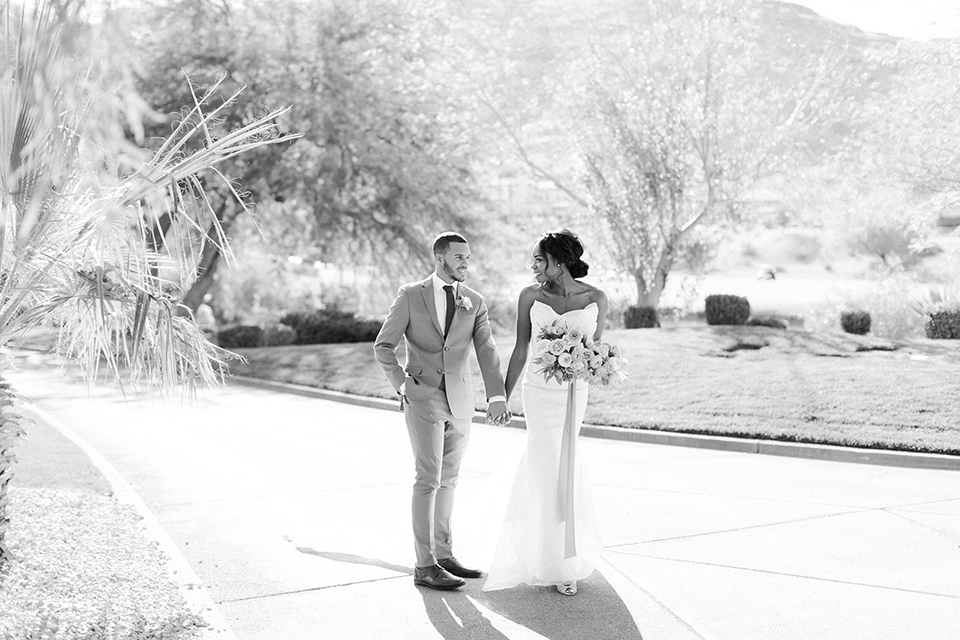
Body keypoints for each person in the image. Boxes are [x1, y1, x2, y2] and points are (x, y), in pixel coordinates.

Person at [374, 232, 510, 591]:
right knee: (428, 478)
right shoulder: (410, 295)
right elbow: (383, 345)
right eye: (460, 257)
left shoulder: (474, 300)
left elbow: (487, 349)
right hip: (423, 397)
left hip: (461, 400)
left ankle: (444, 555)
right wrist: (402, 384)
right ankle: (424, 565)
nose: (466, 263)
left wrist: (496, 396)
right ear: (440, 259)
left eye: (468, 257)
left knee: (450, 479)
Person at [483, 229, 608, 596]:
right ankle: (545, 558)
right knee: (544, 462)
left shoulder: (597, 298)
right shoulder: (529, 296)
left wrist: (595, 365)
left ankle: (567, 559)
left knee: (565, 464)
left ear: (560, 260)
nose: (533, 266)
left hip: (575, 394)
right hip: (539, 392)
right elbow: (521, 349)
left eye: (539, 259)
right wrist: (500, 398)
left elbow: (595, 351)